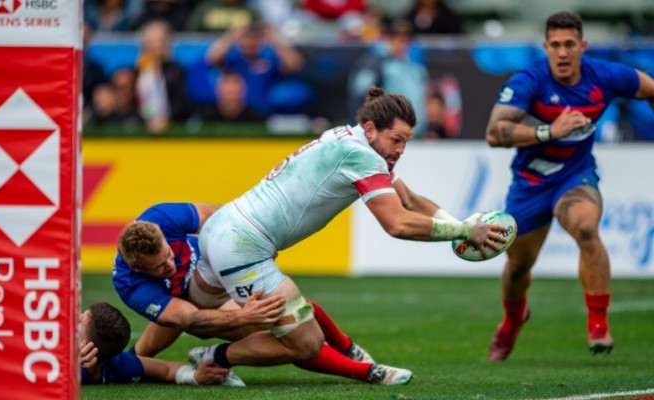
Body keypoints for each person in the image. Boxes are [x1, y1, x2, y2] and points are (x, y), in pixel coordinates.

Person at [190, 87, 507, 384]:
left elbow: (410, 200)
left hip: (222, 226)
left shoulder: (347, 137)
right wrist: (466, 230)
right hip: (243, 248)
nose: (401, 150)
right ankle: (213, 359)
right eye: (397, 139)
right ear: (371, 129)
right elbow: (397, 222)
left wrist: (460, 226)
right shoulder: (363, 157)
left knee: (191, 312)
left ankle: (145, 361)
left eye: (406, 142)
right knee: (306, 343)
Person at [484, 11, 654, 361]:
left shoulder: (604, 75)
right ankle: (513, 320)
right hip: (530, 183)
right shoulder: (530, 78)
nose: (562, 53)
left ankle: (598, 326)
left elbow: (650, 87)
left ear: (582, 46)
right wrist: (548, 131)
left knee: (586, 228)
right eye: (556, 45)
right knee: (517, 266)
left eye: (570, 45)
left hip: (575, 175)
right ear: (546, 47)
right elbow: (494, 132)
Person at [114, 202, 408, 385]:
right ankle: (366, 371)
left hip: (210, 278)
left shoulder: (162, 217)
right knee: (289, 328)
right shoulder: (131, 284)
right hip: (186, 307)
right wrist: (243, 315)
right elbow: (189, 319)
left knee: (294, 310)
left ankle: (348, 350)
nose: (171, 263)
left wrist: (251, 246)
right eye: (160, 267)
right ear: (138, 267)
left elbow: (221, 218)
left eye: (169, 254)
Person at [80, 301, 232, 385]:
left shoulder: (118, 365)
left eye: (81, 320)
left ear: (88, 347)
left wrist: (195, 377)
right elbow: (167, 369)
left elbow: (166, 370)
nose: (76, 316)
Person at [347, 20, 429, 135]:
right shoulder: (375, 63)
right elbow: (360, 96)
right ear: (389, 39)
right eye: (400, 40)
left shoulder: (414, 66)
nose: (403, 45)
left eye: (407, 41)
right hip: (386, 133)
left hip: (413, 132)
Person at [134, 19, 189, 134]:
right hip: (140, 128)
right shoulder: (136, 72)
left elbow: (181, 104)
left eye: (160, 41)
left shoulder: (177, 71)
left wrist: (166, 119)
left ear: (168, 43)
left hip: (172, 129)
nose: (156, 45)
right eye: (151, 41)